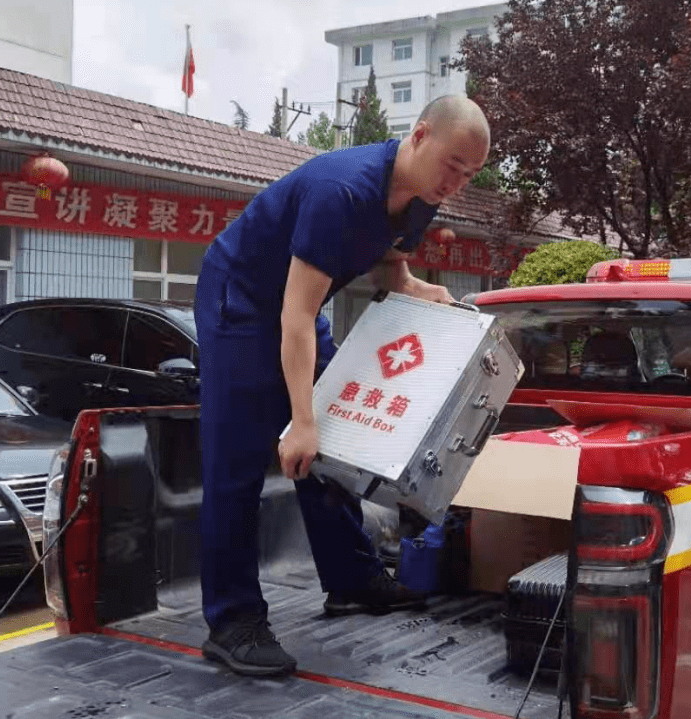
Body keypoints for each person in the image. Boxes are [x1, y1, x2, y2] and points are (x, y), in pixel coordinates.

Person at [192, 95, 491, 679]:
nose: (456, 183)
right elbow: (296, 316)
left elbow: (390, 258)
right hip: (241, 298)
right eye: (452, 164)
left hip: (295, 310)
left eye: (470, 175)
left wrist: (413, 286)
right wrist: (302, 420)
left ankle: (352, 579)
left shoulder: (424, 195)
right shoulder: (343, 190)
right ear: (420, 135)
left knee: (339, 445)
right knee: (238, 460)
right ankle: (231, 621)